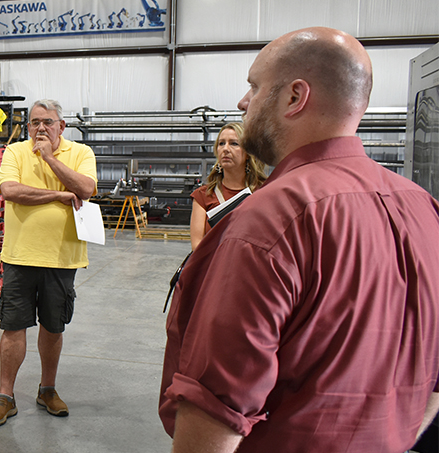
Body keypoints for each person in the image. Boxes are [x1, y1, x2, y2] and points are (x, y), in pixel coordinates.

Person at [159, 27, 439, 452]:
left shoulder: (272, 217)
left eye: (254, 86)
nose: (243, 102)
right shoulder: (424, 208)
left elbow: (216, 407)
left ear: (295, 96)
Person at [0, 99, 97, 427]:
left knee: (53, 326)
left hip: (62, 259)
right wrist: (59, 195)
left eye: (47, 122)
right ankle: (6, 396)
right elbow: (10, 190)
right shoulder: (17, 152)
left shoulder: (80, 153)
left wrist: (49, 158)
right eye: (34, 122)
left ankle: (47, 389)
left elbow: (86, 188)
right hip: (20, 256)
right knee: (12, 326)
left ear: (62, 126)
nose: (40, 128)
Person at [188, 122, 266, 250]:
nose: (225, 149)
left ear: (248, 153)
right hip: (214, 267)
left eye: (234, 143)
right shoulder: (203, 196)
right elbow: (197, 247)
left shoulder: (263, 193)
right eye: (221, 143)